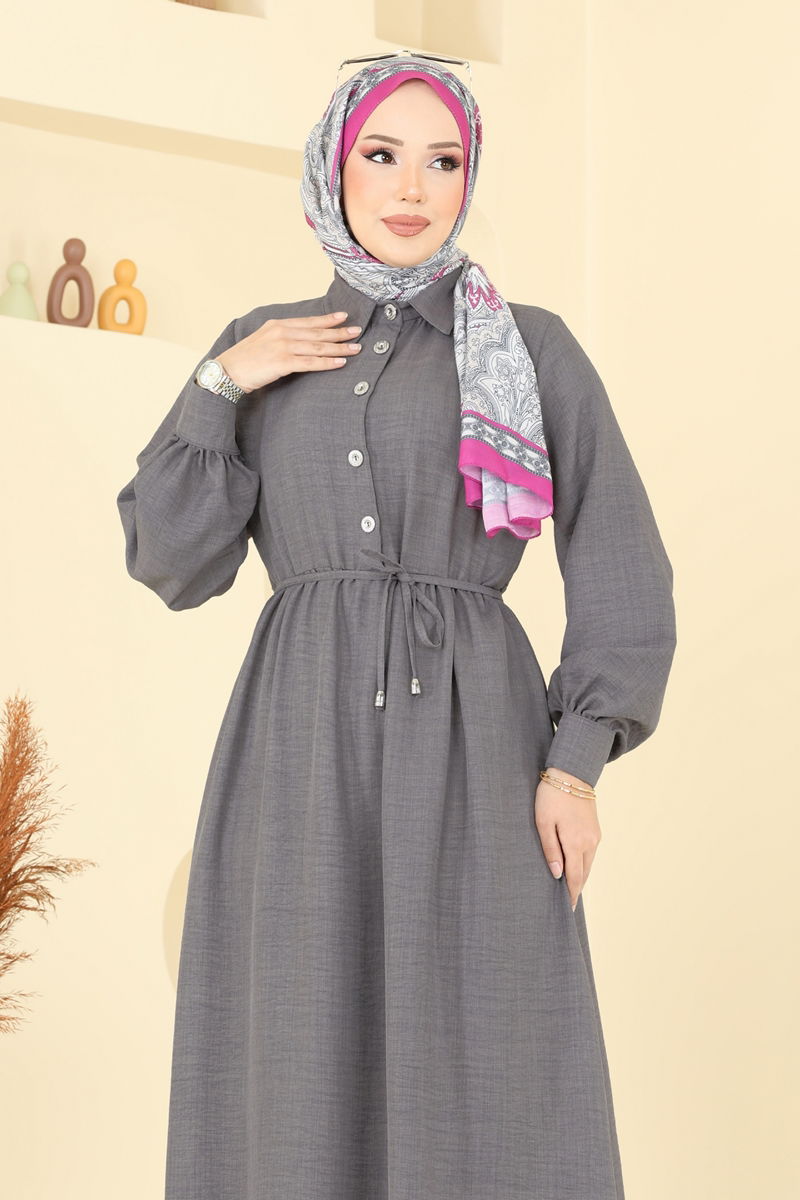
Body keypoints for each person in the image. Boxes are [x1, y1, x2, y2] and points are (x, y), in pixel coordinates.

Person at [116, 51, 676, 1200]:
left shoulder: (528, 347)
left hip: (478, 751)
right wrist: (220, 384)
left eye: (442, 160)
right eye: (381, 154)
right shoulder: (261, 342)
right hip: (296, 749)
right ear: (333, 164)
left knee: (494, 1050)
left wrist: (573, 765)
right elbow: (171, 561)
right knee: (291, 1050)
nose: (412, 187)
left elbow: (622, 561)